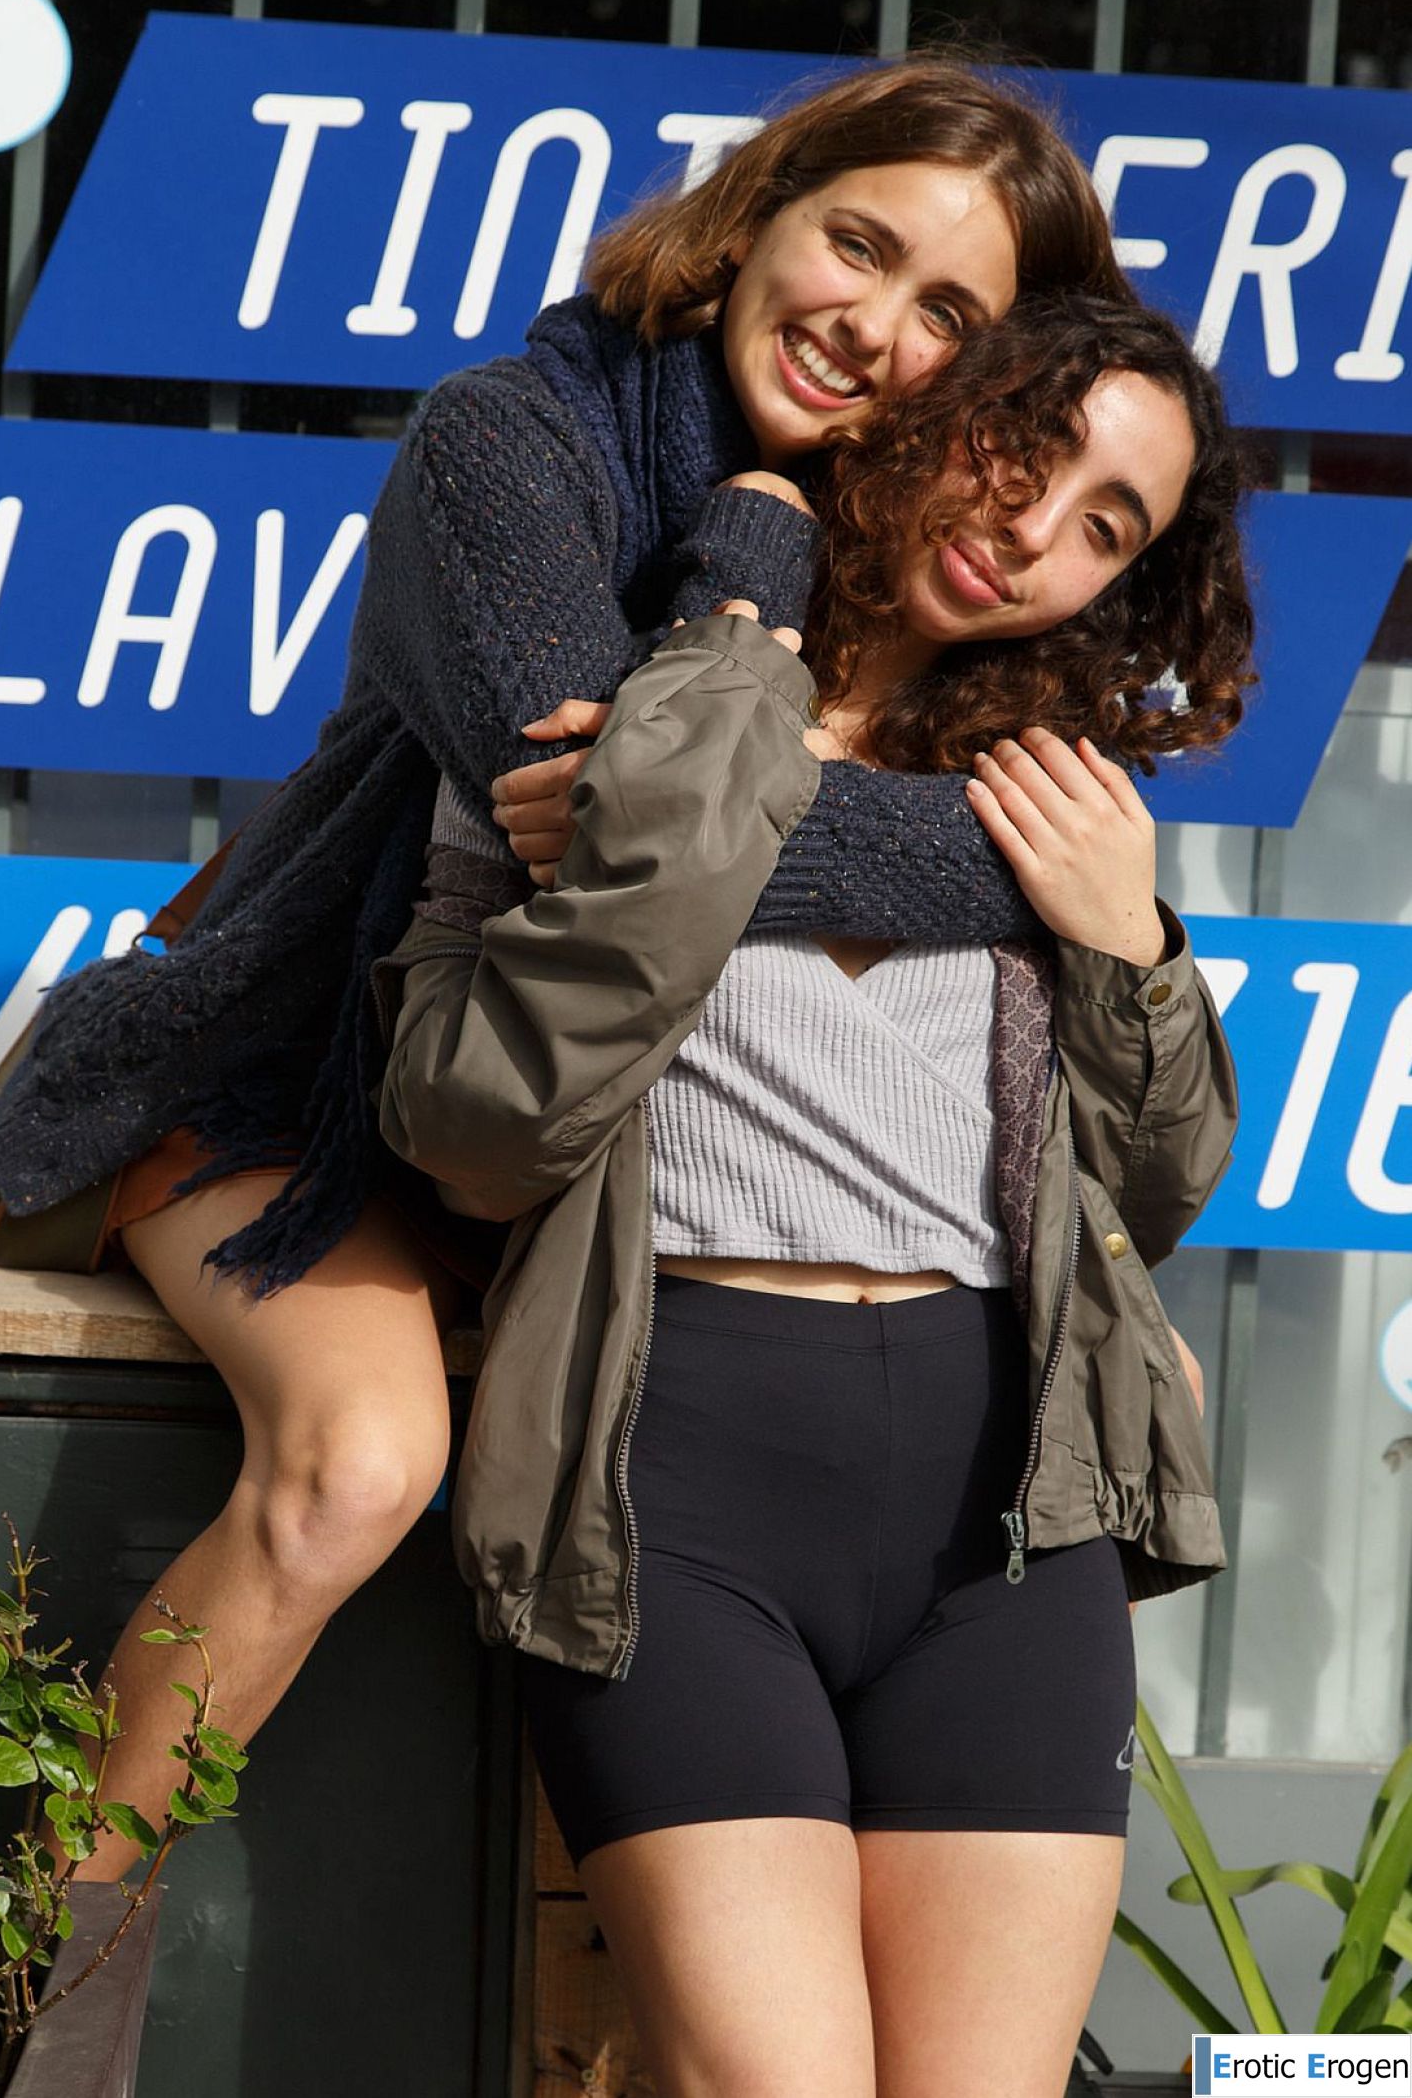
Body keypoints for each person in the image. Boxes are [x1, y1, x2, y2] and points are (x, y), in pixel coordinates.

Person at [0, 55, 1129, 1881]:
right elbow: (621, 840)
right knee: (360, 1460)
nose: (873, 328)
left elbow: (773, 854)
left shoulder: (925, 561)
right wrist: (769, 580)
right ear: (754, 213)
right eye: (858, 245)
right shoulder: (512, 438)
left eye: (948, 314)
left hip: (589, 1169)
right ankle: (39, 1960)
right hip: (300, 1092)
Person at [376, 291, 1251, 2098]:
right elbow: (470, 1132)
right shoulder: (604, 710)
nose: (1037, 528)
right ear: (931, 407)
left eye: (1109, 524)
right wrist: (712, 689)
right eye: (1025, 447)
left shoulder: (1048, 800)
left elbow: (1155, 1187)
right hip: (676, 1477)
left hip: (1005, 1514)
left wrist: (1136, 945)